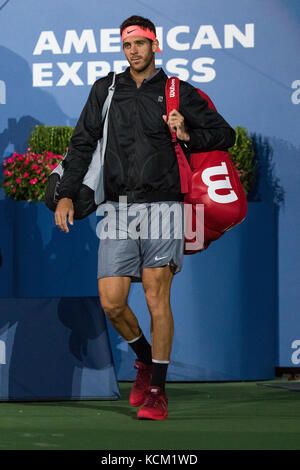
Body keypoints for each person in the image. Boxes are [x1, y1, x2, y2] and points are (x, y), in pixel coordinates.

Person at [54, 15, 236, 420]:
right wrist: (66, 195)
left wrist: (188, 134)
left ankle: (157, 390)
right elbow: (81, 144)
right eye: (127, 45)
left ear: (156, 45)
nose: (133, 51)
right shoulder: (107, 89)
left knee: (157, 297)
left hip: (165, 206)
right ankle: (144, 359)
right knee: (112, 302)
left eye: (140, 43)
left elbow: (226, 135)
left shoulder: (177, 92)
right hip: (117, 207)